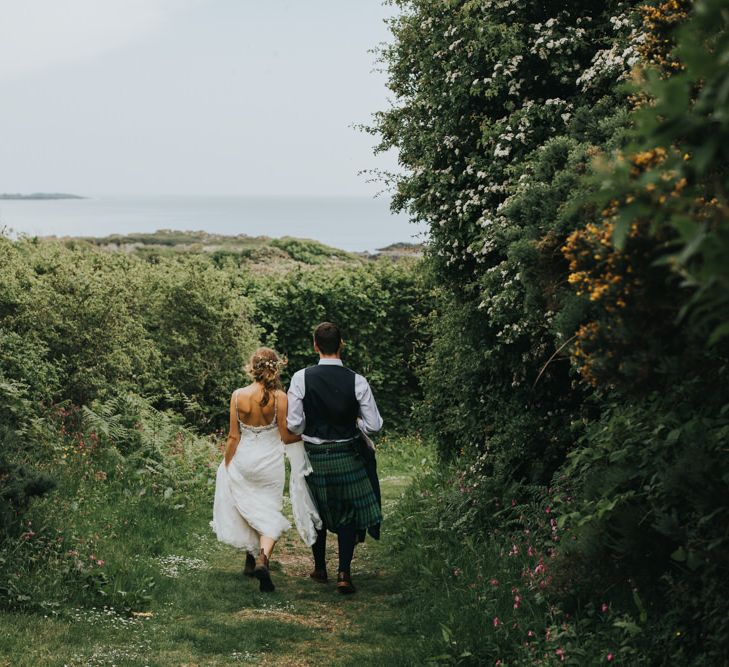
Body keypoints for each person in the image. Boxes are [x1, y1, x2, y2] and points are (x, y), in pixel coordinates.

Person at [286, 322, 383, 594]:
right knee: (348, 512)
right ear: (341, 344)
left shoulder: (300, 378)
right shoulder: (357, 380)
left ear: (315, 345)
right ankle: (344, 572)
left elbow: (293, 425)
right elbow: (374, 425)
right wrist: (356, 425)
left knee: (315, 507)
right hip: (347, 454)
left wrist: (308, 424)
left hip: (314, 455)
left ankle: (320, 568)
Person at [211, 347, 301, 593]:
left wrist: (226, 464)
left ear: (252, 367)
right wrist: (306, 437)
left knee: (249, 506)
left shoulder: (238, 395)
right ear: (275, 367)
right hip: (269, 463)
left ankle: (250, 562)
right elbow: (285, 435)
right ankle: (262, 558)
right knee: (268, 509)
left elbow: (232, 436)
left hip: (244, 459)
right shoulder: (280, 397)